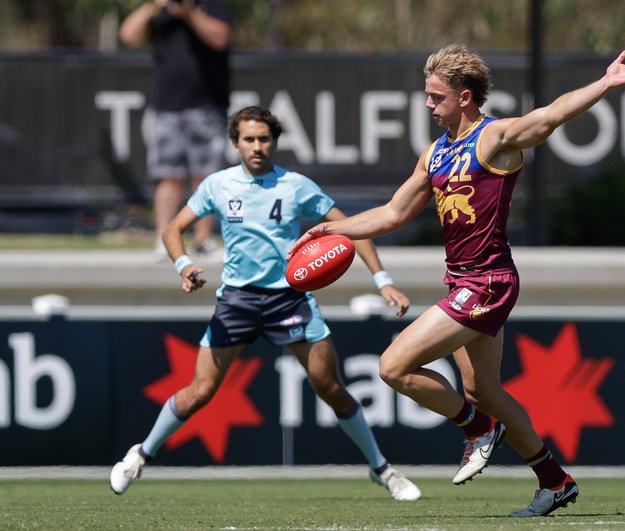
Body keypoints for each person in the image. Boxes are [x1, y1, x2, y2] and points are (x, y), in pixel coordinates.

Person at [289, 44, 625, 517]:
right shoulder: (435, 155)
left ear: (464, 97)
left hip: (489, 282)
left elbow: (551, 115)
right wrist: (332, 228)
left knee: (393, 367)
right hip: (462, 282)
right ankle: (554, 480)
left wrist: (606, 83)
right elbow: (393, 213)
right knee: (484, 390)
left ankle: (477, 428)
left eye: (435, 96)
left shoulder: (495, 137)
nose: (427, 105)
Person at [109, 106, 421, 502]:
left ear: (274, 142)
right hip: (237, 301)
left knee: (330, 387)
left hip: (288, 298)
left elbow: (352, 229)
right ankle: (140, 455)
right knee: (200, 390)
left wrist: (383, 280)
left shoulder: (295, 186)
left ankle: (383, 469)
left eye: (264, 139)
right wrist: (184, 264)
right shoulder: (218, 185)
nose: (257, 147)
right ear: (235, 143)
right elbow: (173, 229)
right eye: (249, 139)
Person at [119, 0, 232, 256]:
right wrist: (153, 6)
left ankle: (203, 239)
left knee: (206, 177)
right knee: (169, 175)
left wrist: (189, 14)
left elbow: (220, 38)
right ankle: (164, 239)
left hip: (207, 104)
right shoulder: (160, 11)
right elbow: (128, 35)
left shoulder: (211, 5)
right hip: (167, 106)